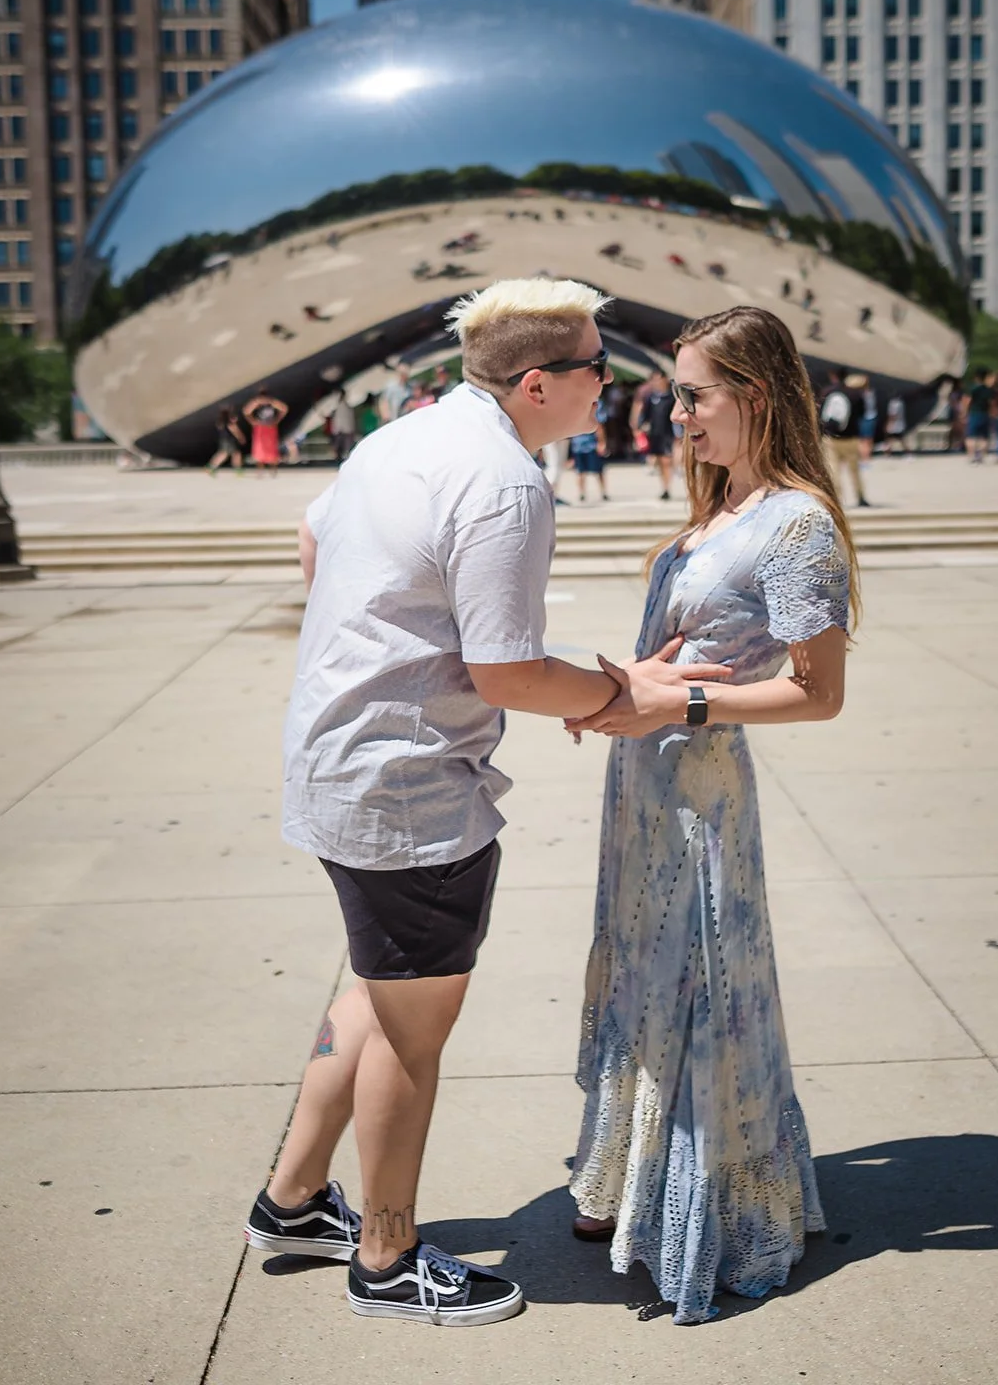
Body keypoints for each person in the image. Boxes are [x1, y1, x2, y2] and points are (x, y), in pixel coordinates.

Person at [246, 278, 730, 1326]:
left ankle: (291, 1201)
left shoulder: (404, 437)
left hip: (338, 757)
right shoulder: (506, 482)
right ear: (539, 383)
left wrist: (378, 644)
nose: (612, 383)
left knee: (381, 991)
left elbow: (313, 542)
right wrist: (621, 694)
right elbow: (505, 671)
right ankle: (386, 1257)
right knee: (411, 1034)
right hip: (408, 787)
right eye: (598, 368)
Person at [565, 304, 857, 1326]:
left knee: (697, 989)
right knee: (643, 978)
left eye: (692, 396)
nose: (674, 413)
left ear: (755, 396)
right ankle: (625, 1178)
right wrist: (618, 689)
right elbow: (679, 648)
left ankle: (711, 1210)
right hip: (644, 787)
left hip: (699, 793)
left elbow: (817, 693)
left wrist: (674, 705)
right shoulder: (720, 504)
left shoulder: (796, 522)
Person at [819, 369, 870, 507]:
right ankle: (860, 496)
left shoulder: (827, 392)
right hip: (851, 438)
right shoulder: (855, 394)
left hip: (831, 439)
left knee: (834, 470)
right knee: (854, 470)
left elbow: (820, 413)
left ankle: (837, 499)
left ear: (832, 376)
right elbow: (863, 413)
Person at [636, 367, 677, 500]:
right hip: (654, 434)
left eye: (658, 379)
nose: (656, 382)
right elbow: (645, 414)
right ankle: (664, 487)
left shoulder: (671, 397)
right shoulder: (651, 397)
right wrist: (641, 426)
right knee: (660, 461)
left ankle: (667, 487)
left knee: (666, 460)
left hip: (668, 433)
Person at [243, 389, 288, 476]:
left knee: (272, 450)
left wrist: (277, 419)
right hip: (260, 429)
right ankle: (260, 470)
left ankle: (273, 469)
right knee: (259, 449)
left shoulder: (271, 403)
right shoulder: (257, 404)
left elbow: (284, 409)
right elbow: (246, 412)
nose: (264, 400)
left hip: (270, 429)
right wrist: (252, 420)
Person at [570, 405, 609, 503]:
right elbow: (599, 425)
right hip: (586, 443)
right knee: (590, 471)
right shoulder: (596, 404)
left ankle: (586, 493)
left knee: (583, 471)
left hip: (582, 443)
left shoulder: (575, 405)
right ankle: (594, 492)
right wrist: (601, 442)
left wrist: (601, 442)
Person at [964, 368, 993, 464]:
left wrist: (964, 412)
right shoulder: (988, 390)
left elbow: (967, 400)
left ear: (976, 377)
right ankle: (981, 456)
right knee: (984, 437)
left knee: (971, 436)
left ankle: (971, 456)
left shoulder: (973, 388)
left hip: (974, 413)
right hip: (985, 413)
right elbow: (991, 403)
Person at [207, 405, 245, 474]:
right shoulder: (230, 420)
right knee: (236, 454)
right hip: (230, 440)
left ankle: (211, 467)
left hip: (224, 439)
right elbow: (234, 429)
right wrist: (241, 437)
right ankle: (238, 470)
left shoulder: (220, 421)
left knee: (223, 454)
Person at [327, 387, 356, 465]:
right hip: (344, 429)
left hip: (340, 429)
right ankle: (341, 460)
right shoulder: (346, 406)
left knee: (339, 447)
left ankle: (339, 460)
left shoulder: (339, 406)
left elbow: (338, 419)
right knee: (343, 447)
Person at [858, 379, 879, 464]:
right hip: (871, 416)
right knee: (868, 439)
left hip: (866, 417)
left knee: (864, 439)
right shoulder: (871, 393)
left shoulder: (863, 394)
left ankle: (865, 457)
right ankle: (866, 456)